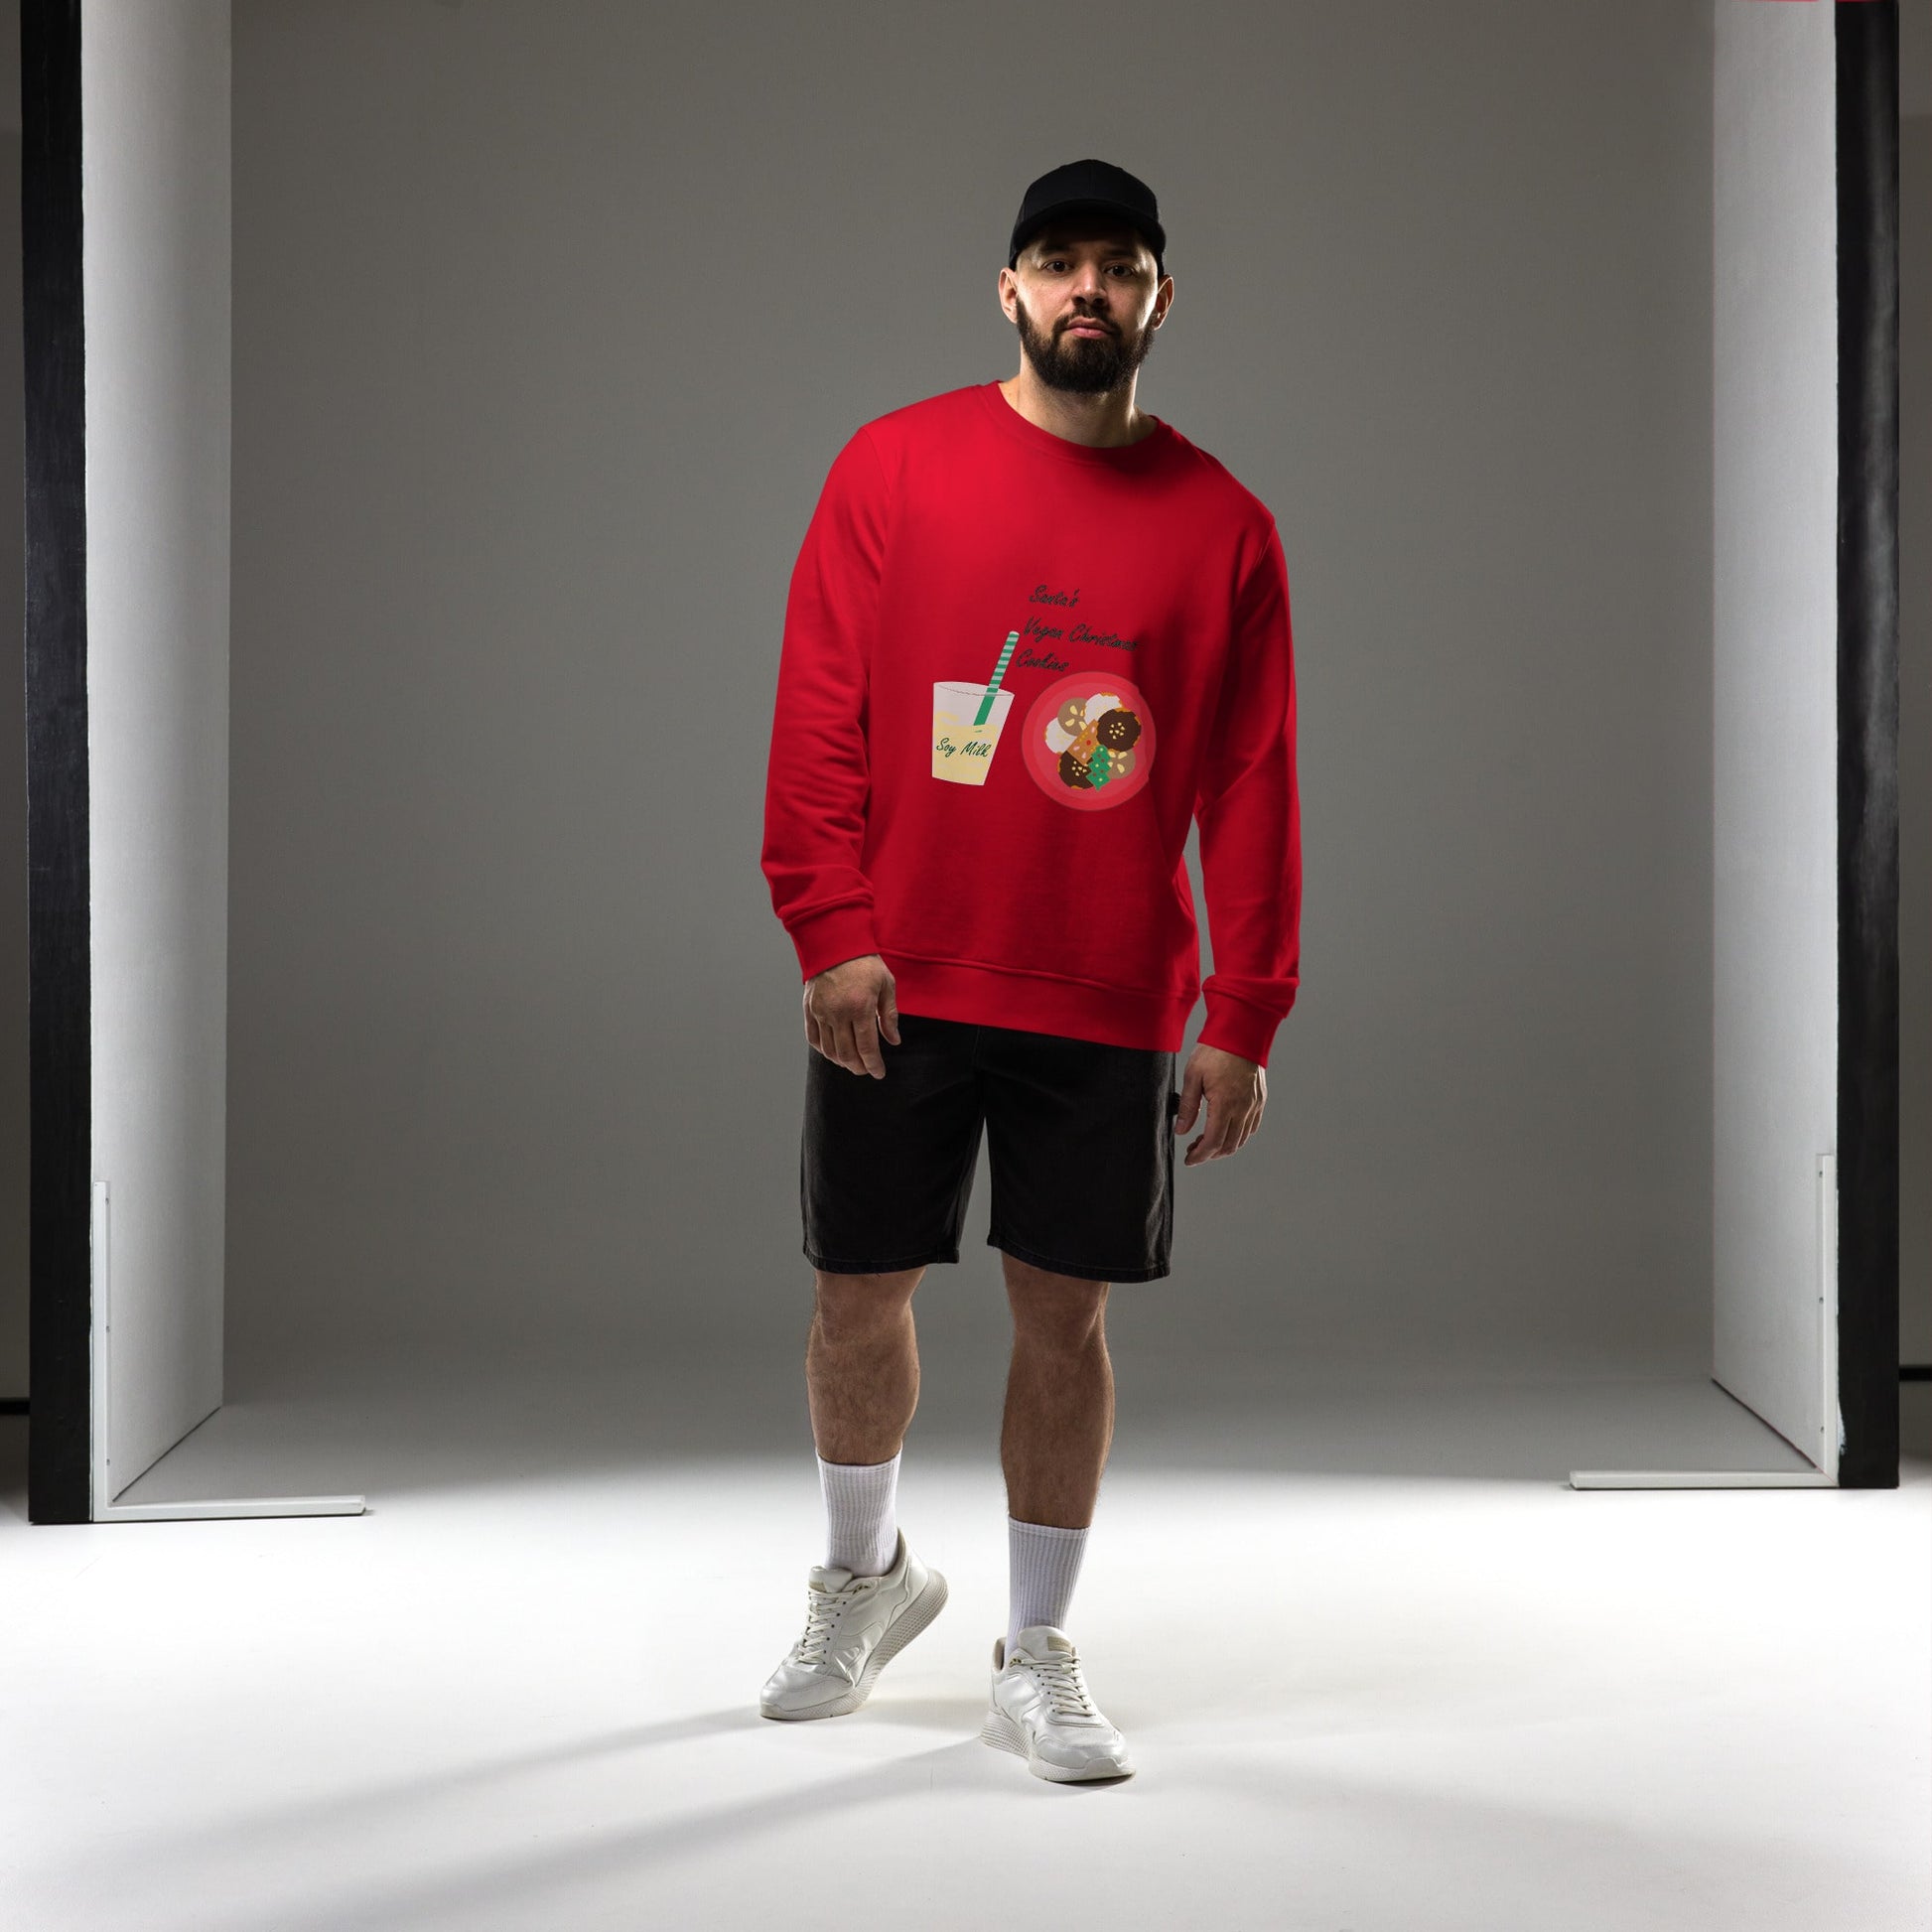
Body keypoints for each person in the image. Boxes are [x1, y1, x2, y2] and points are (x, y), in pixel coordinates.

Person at [756, 159, 1302, 1784]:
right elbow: (819, 707)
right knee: (856, 1291)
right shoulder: (893, 464)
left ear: (1157, 298)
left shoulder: (1224, 525)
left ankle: (1036, 1645)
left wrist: (1244, 1006)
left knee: (1063, 1317)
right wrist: (830, 927)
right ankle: (861, 1577)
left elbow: (1252, 780)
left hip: (1109, 986)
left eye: (1117, 267)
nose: (1086, 290)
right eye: (1057, 263)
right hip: (902, 971)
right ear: (1007, 289)